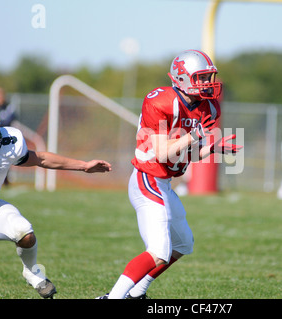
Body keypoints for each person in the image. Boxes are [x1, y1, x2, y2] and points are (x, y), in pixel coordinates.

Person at [97, 49, 242, 299]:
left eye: (209, 77)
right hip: (147, 178)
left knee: (183, 243)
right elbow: (162, 154)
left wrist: (212, 148)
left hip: (164, 184)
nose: (208, 84)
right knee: (158, 251)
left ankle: (137, 292)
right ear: (182, 78)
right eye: (201, 78)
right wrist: (194, 135)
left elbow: (189, 154)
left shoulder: (208, 107)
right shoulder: (162, 102)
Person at [0, 100, 112, 298]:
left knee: (24, 232)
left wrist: (84, 166)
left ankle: (31, 272)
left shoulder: (5, 144)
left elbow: (40, 158)